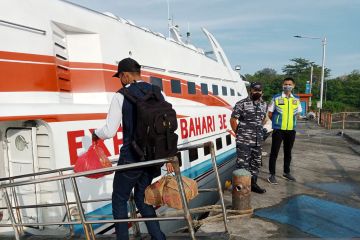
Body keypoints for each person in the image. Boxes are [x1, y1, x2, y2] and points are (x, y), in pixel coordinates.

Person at [92, 58, 172, 240]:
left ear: (126, 75)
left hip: (132, 157)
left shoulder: (120, 95)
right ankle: (158, 237)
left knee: (119, 199)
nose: (120, 80)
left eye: (120, 76)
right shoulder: (158, 92)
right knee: (142, 197)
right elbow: (166, 125)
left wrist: (96, 134)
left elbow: (110, 131)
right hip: (154, 156)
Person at [230, 82, 267, 194]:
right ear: (250, 90)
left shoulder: (264, 104)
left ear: (262, 92)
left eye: (259, 90)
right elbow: (233, 120)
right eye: (255, 90)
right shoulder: (242, 103)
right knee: (242, 164)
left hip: (257, 140)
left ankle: (253, 184)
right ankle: (241, 188)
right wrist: (239, 134)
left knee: (255, 163)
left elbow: (263, 118)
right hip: (244, 140)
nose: (257, 92)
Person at [267, 77, 302, 184]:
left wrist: (293, 121)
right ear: (282, 85)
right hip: (278, 130)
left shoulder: (296, 99)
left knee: (288, 152)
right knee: (274, 152)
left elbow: (298, 113)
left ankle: (286, 173)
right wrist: (276, 122)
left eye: (289, 84)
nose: (287, 86)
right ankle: (272, 175)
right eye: (285, 84)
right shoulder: (276, 97)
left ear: (293, 86)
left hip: (291, 130)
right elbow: (269, 113)